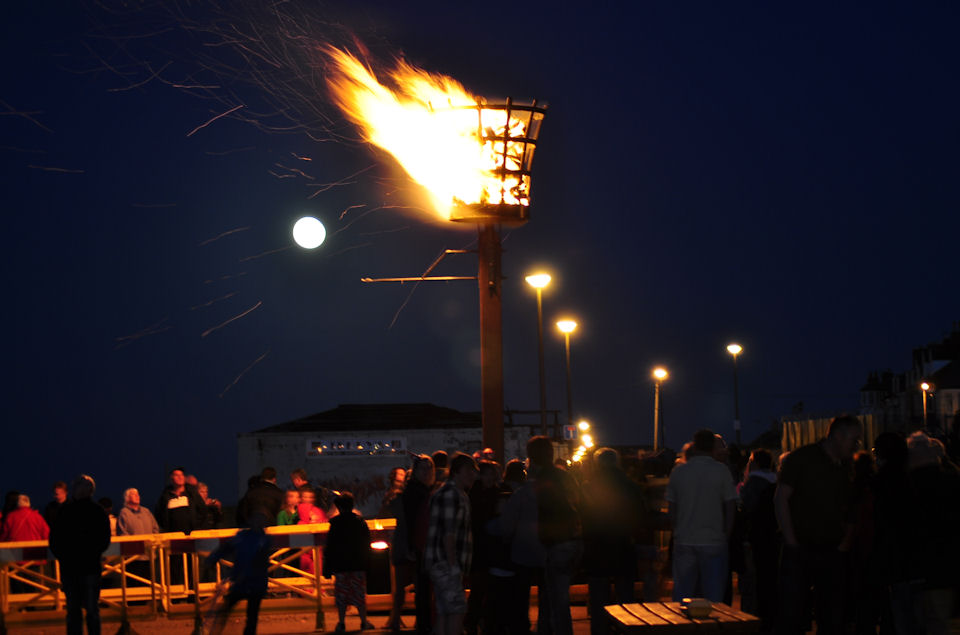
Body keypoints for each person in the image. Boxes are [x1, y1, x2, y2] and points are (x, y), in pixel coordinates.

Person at [775, 414, 861, 635]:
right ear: (839, 436)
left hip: (830, 547)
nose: (856, 445)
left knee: (831, 614)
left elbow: (851, 506)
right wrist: (792, 541)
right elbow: (781, 498)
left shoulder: (844, 464)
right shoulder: (803, 459)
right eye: (854, 439)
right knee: (793, 613)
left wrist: (843, 543)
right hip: (803, 546)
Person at [666, 429, 737, 603]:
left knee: (683, 593)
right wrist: (726, 533)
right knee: (713, 596)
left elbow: (672, 508)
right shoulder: (721, 471)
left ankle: (684, 628)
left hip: (685, 538)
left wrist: (676, 530)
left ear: (695, 445)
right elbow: (730, 506)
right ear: (712, 447)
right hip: (713, 540)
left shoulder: (679, 472)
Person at [903, 431, 960, 635]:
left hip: (920, 565)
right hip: (947, 563)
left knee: (927, 619)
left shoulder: (906, 487)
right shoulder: (952, 481)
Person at [582, 448, 642, 635]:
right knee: (625, 597)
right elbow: (639, 515)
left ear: (597, 464)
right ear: (616, 463)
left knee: (599, 597)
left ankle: (600, 630)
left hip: (597, 546)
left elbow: (583, 516)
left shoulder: (588, 486)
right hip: (623, 544)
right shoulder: (630, 486)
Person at [49, 475, 111, 635]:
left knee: (74, 611)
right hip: (90, 567)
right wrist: (94, 553)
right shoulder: (98, 511)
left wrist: (64, 557)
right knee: (92, 610)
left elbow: (54, 541)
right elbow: (105, 540)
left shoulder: (65, 511)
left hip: (71, 568)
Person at [425, 452, 478, 635]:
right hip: (446, 564)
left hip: (441, 563)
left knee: (444, 613)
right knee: (456, 610)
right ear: (456, 471)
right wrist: (454, 564)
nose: (473, 475)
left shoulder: (450, 492)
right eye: (469, 470)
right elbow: (449, 533)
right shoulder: (452, 494)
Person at [207, 512, 272, 635]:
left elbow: (226, 548)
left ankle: (215, 631)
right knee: (252, 615)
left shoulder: (242, 537)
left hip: (242, 581)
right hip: (257, 583)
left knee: (227, 607)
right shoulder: (265, 540)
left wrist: (212, 559)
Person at [738, 449, 779, 631]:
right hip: (775, 539)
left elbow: (746, 510)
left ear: (754, 463)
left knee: (753, 583)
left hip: (755, 539)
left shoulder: (753, 483)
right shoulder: (777, 481)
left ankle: (752, 620)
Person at [324, 492, 375, 633]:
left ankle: (341, 622)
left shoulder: (335, 524)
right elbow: (366, 544)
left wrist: (327, 569)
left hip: (341, 566)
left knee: (341, 595)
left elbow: (330, 547)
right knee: (359, 594)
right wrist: (368, 565)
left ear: (338, 507)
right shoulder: (360, 522)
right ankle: (364, 621)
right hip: (358, 564)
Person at [464, 460, 505, 635]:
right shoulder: (489, 494)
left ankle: (476, 621)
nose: (491, 477)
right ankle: (476, 621)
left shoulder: (475, 493)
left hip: (483, 546)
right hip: (485, 546)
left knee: (482, 588)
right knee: (482, 587)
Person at [400, 454, 436, 635]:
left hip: (422, 544)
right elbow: (410, 521)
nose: (427, 472)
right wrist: (411, 546)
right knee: (423, 587)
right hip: (421, 545)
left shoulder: (420, 490)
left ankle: (424, 623)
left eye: (429, 468)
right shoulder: (416, 492)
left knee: (424, 587)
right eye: (423, 469)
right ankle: (424, 624)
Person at [154, 467, 205, 533]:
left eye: (181, 475)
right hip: (173, 536)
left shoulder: (192, 495)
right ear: (172, 479)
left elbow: (202, 511)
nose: (180, 477)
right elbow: (159, 514)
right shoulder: (165, 497)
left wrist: (197, 528)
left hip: (191, 536)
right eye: (177, 475)